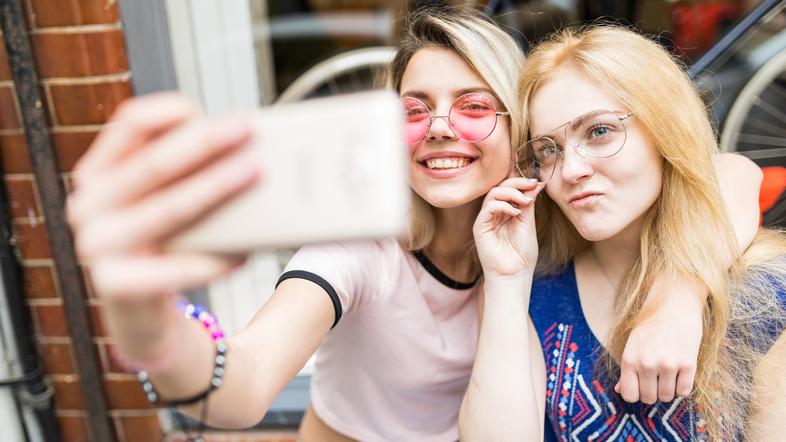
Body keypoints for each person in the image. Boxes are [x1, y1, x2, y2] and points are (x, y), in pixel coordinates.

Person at [66, 8, 761, 442]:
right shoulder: (360, 246)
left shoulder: (554, 214)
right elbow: (241, 386)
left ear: (522, 135)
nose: (439, 128)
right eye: (414, 109)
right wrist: (149, 324)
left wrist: (677, 296)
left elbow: (730, 176)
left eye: (473, 107)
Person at [459, 24, 786, 441]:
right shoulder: (536, 293)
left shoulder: (765, 295)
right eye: (548, 150)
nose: (571, 171)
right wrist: (506, 281)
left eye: (599, 131)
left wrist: (679, 293)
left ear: (665, 129)